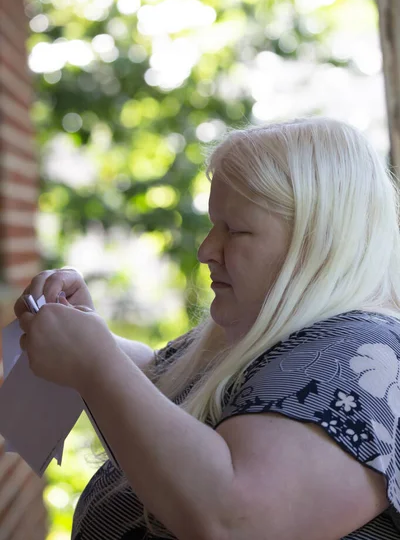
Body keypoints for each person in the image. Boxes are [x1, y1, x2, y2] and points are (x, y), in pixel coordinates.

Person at [14, 116, 400, 540]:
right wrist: (87, 336)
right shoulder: (272, 327)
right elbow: (169, 393)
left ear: (318, 239)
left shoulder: (362, 354)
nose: (206, 251)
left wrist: (95, 362)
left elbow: (236, 521)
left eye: (235, 230)